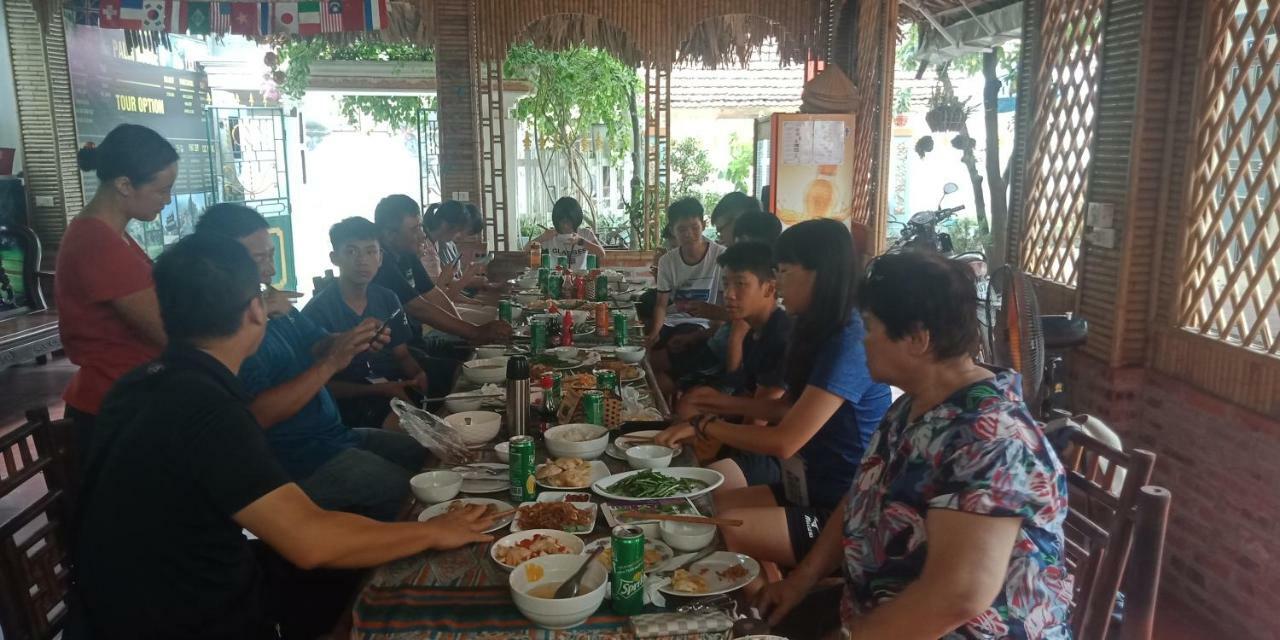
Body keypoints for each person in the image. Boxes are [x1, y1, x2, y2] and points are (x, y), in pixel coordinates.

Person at [73, 232, 496, 640]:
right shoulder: (206, 411)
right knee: (393, 601)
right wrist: (436, 531)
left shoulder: (140, 385)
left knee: (346, 582)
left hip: (117, 607)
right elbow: (310, 539)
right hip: (183, 619)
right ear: (257, 311)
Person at [755, 251, 1072, 640]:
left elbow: (956, 597)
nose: (861, 339)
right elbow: (861, 496)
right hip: (876, 612)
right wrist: (800, 581)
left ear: (918, 339)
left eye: (869, 327)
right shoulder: (916, 403)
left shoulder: (992, 440)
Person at [655, 219, 891, 571]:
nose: (777, 285)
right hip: (806, 483)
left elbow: (785, 441)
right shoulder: (815, 330)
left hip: (843, 501)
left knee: (723, 530)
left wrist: (706, 425)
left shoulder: (847, 340)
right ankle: (769, 600)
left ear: (819, 274)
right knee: (705, 510)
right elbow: (784, 408)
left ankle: (758, 619)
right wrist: (706, 417)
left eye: (784, 272)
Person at [197, 204, 427, 522]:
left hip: (334, 435)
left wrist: (352, 338)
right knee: (413, 494)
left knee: (429, 455)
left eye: (271, 255)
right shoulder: (228, 330)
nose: (270, 270)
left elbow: (318, 343)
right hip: (299, 459)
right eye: (258, 259)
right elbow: (257, 416)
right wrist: (331, 362)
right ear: (221, 263)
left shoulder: (273, 303)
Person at [56, 124, 175, 443]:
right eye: (162, 190)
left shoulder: (112, 234)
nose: (167, 199)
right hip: (115, 403)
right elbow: (166, 332)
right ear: (124, 184)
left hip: (128, 392)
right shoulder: (96, 241)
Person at [673, 242, 791, 482]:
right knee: (693, 400)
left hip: (773, 453)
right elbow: (742, 391)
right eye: (726, 283)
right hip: (748, 432)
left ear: (770, 288)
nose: (728, 294)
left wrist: (707, 429)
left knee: (701, 482)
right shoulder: (753, 331)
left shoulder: (781, 336)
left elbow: (758, 419)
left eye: (740, 283)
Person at [303, 217, 428, 427]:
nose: (362, 260)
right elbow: (316, 385)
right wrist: (378, 390)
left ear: (380, 258)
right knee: (414, 433)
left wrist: (418, 374)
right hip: (349, 404)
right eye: (351, 252)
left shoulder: (388, 298)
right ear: (335, 258)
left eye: (370, 251)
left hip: (392, 392)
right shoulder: (317, 311)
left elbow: (402, 355)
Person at [372, 194, 509, 349]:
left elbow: (434, 294)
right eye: (414, 229)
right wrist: (473, 332)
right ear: (390, 235)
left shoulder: (406, 255)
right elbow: (419, 307)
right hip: (401, 349)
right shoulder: (382, 264)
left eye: (420, 227)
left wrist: (466, 333)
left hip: (415, 340)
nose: (422, 234)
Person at [528, 196, 606, 270]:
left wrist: (580, 241)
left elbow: (602, 254)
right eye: (562, 222)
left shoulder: (585, 233)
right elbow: (525, 250)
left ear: (576, 220)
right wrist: (543, 237)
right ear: (557, 220)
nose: (565, 226)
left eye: (569, 222)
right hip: (555, 279)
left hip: (580, 279)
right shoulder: (551, 235)